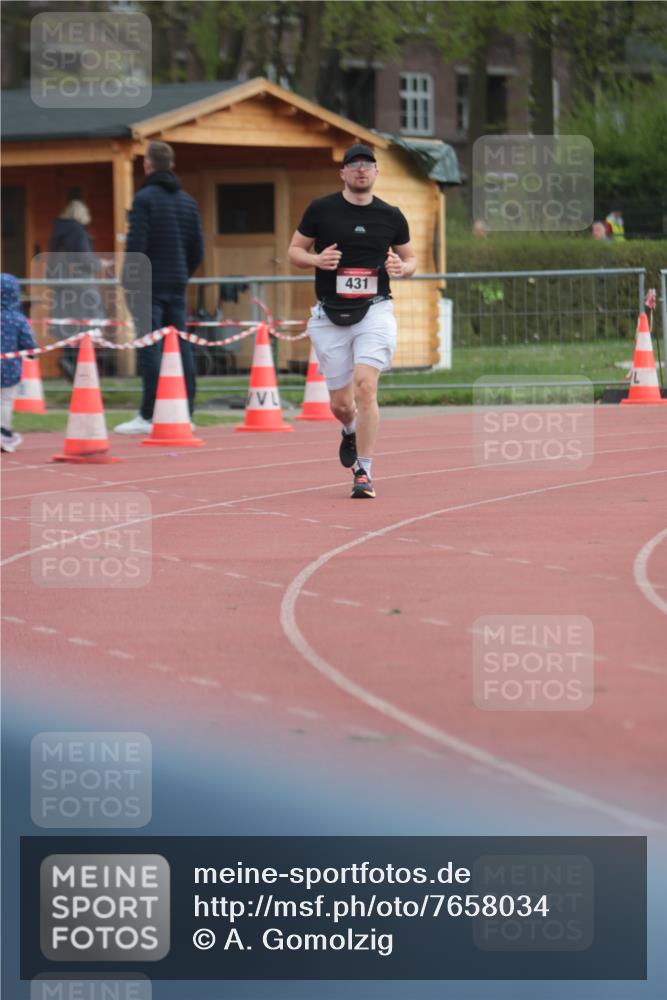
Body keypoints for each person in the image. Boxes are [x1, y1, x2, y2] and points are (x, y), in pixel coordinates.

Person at [288, 143, 416, 499]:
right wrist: (316, 261)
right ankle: (349, 429)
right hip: (330, 313)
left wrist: (401, 267)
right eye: (354, 164)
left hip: (375, 310)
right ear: (343, 172)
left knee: (366, 387)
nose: (361, 170)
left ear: (376, 172)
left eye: (368, 164)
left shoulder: (391, 215)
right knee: (341, 404)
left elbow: (411, 259)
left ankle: (364, 471)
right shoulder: (321, 209)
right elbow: (294, 251)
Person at [116, 141, 204, 434]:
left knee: (149, 347)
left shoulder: (144, 199)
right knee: (180, 346)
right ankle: (185, 411)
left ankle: (149, 414)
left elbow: (136, 246)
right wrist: (181, 274)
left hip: (147, 285)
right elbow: (197, 250)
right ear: (172, 166)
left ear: (147, 165)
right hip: (177, 283)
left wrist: (129, 281)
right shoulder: (188, 202)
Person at [47, 199, 104, 380]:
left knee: (67, 323)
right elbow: (84, 259)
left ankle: (69, 358)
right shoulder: (78, 231)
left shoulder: (58, 231)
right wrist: (99, 264)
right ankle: (76, 363)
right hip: (79, 285)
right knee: (85, 322)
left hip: (60, 284)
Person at [1, 273, 38, 453]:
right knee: (5, 401)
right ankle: (3, 432)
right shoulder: (17, 318)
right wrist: (32, 354)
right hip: (8, 368)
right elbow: (27, 342)